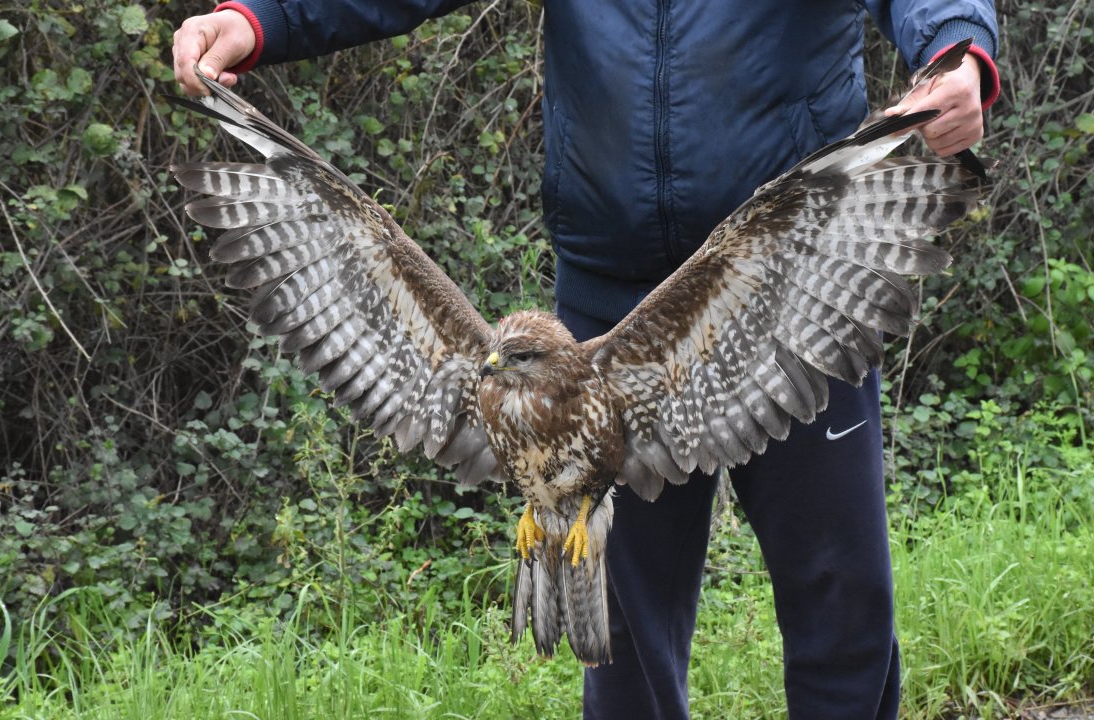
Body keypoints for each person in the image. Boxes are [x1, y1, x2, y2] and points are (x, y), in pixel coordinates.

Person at [171, 2, 999, 717]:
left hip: (791, 269)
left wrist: (960, 46)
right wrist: (256, 17)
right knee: (626, 646)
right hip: (605, 288)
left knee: (839, 597)